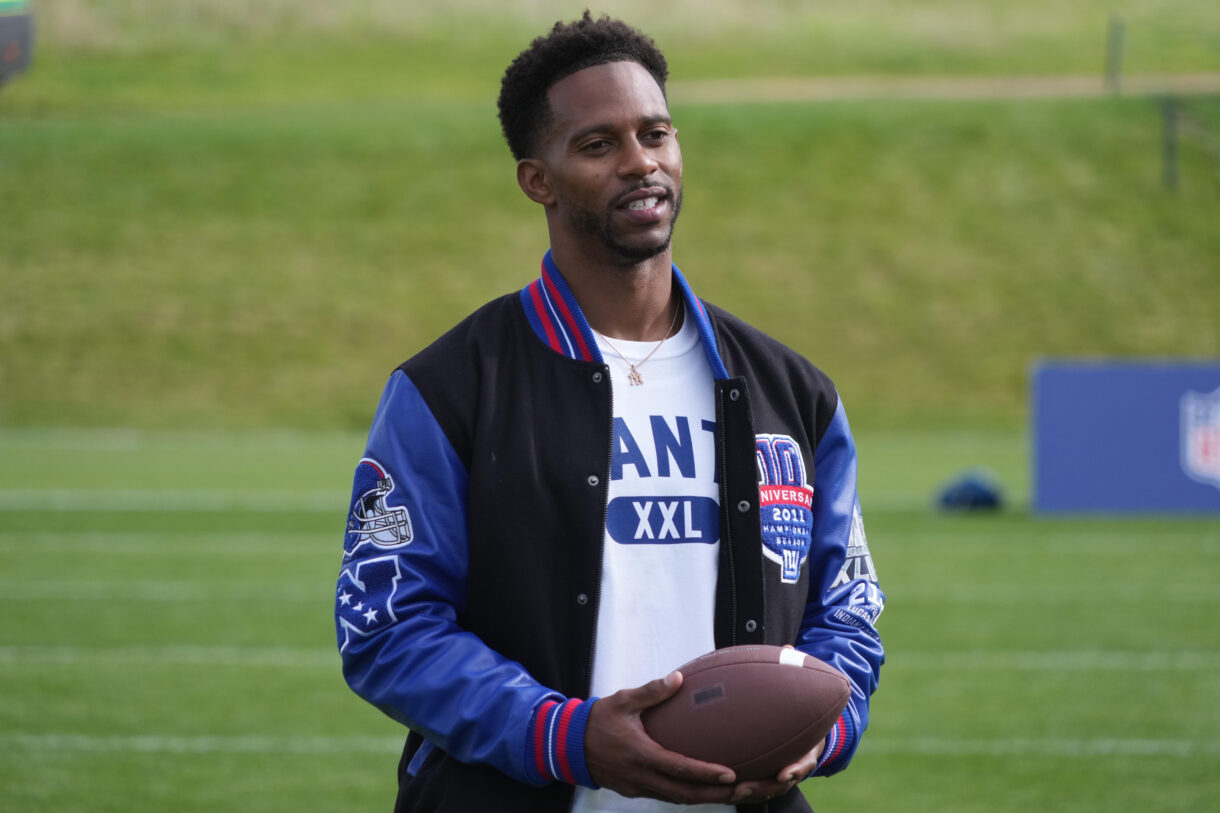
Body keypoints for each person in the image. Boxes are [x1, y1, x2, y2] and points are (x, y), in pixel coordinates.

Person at [335, 12, 884, 813]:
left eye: (656, 134)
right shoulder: (449, 388)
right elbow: (387, 625)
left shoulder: (791, 392)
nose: (641, 164)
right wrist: (568, 736)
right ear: (538, 179)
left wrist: (819, 733)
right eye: (599, 145)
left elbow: (849, 610)